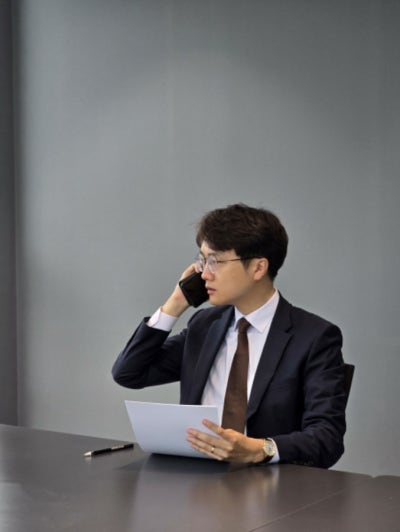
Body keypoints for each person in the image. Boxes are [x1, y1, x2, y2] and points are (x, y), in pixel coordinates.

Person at [112, 203, 347, 468]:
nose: (204, 273)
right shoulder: (205, 326)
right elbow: (128, 373)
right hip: (196, 478)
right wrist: (176, 303)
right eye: (203, 260)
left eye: (215, 261)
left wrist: (261, 449)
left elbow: (327, 438)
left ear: (258, 268)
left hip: (270, 484)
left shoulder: (314, 337)